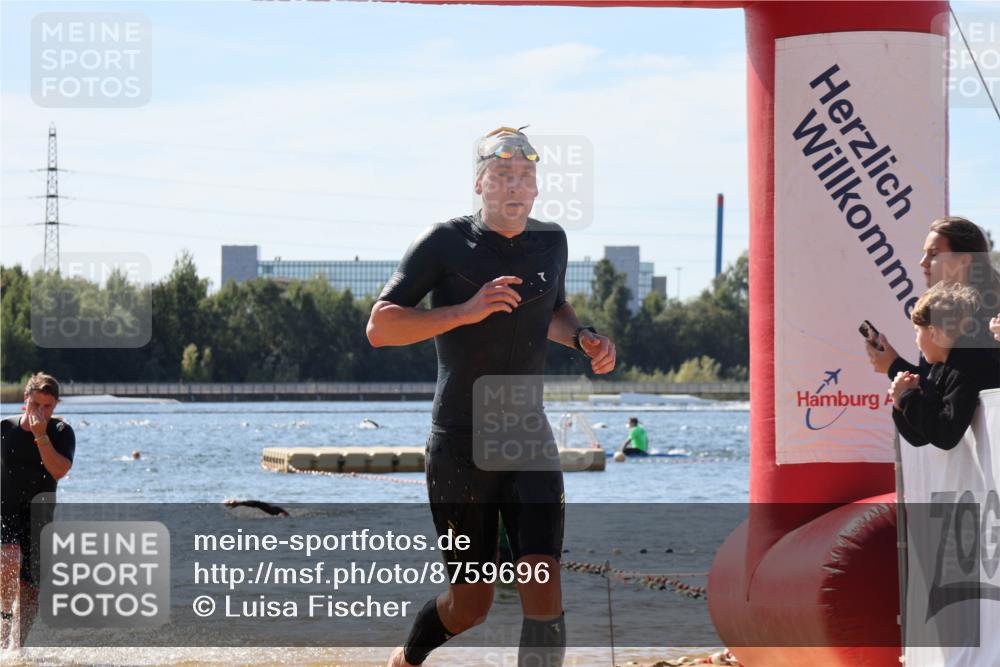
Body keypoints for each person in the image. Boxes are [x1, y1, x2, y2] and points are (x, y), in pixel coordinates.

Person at [367, 126, 616, 667]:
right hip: (460, 441)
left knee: (543, 582)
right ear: (479, 183)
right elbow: (381, 328)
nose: (515, 184)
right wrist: (465, 311)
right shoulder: (445, 243)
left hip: (526, 433)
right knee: (470, 606)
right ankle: (406, 660)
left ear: (537, 187)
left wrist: (582, 337)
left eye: (525, 175)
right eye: (502, 174)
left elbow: (552, 309)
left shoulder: (552, 241)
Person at [867, 217, 1000, 379]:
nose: (923, 262)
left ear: (964, 259)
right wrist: (892, 364)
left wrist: (893, 366)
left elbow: (954, 387)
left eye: (934, 253)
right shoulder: (945, 309)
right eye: (925, 253)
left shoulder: (980, 314)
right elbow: (940, 382)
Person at [1, 373, 75, 649]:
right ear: (25, 400)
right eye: (36, 405)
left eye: (48, 407)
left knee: (30, 587)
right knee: (9, 558)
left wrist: (41, 436)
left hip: (39, 516)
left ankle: (15, 651)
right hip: (5, 510)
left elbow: (59, 470)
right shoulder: (5, 428)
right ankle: (3, 621)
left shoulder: (61, 432)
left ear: (56, 405)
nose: (41, 412)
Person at [890, 283, 1000, 450]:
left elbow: (946, 434)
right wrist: (900, 403)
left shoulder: (967, 366)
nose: (916, 341)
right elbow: (920, 437)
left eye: (917, 331)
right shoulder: (942, 369)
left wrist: (907, 396)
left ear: (932, 332)